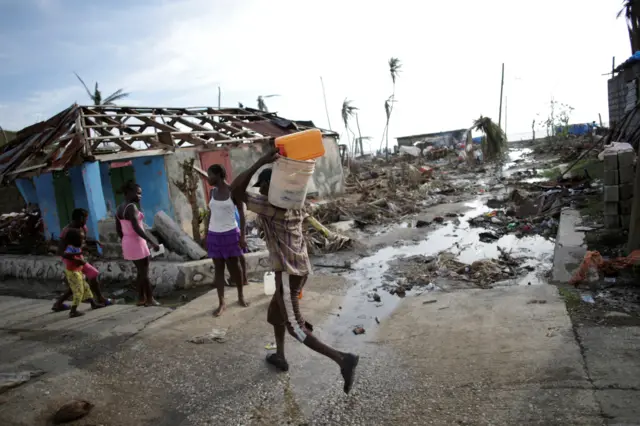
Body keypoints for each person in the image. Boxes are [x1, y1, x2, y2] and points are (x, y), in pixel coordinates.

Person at [231, 148, 359, 394]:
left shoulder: (272, 206)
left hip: (289, 272)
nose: (261, 192)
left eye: (263, 187)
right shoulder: (296, 203)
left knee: (295, 326)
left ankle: (343, 360)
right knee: (274, 315)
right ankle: (279, 355)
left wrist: (261, 161)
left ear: (273, 186)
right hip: (297, 269)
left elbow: (236, 191)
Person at [206, 164, 249, 316]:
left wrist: (242, 236)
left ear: (218, 175)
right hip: (214, 235)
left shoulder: (233, 192)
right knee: (218, 269)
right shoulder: (212, 192)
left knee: (235, 268)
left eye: (210, 175)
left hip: (230, 234)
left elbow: (242, 216)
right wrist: (206, 233)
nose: (208, 178)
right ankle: (221, 302)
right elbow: (210, 214)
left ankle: (240, 296)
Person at [52, 208, 110, 312]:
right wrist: (75, 256)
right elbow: (60, 251)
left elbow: (81, 241)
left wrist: (94, 242)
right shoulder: (67, 231)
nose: (86, 221)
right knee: (79, 283)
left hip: (78, 256)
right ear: (80, 218)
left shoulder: (83, 227)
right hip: (70, 258)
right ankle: (96, 301)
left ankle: (96, 300)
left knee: (87, 278)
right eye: (86, 219)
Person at [115, 181, 160, 307]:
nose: (140, 196)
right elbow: (137, 228)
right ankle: (150, 299)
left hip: (128, 242)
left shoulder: (119, 208)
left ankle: (141, 298)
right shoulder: (131, 207)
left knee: (140, 272)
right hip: (137, 242)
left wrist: (126, 240)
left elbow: (118, 229)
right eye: (138, 193)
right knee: (144, 272)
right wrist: (152, 242)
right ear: (129, 192)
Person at [63, 228, 104, 317]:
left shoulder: (77, 247)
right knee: (79, 291)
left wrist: (96, 242)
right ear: (75, 240)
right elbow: (66, 255)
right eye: (81, 239)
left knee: (86, 287)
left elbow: (86, 244)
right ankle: (73, 311)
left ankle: (93, 304)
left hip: (78, 271)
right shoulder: (70, 248)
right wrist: (77, 256)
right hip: (73, 273)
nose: (83, 240)